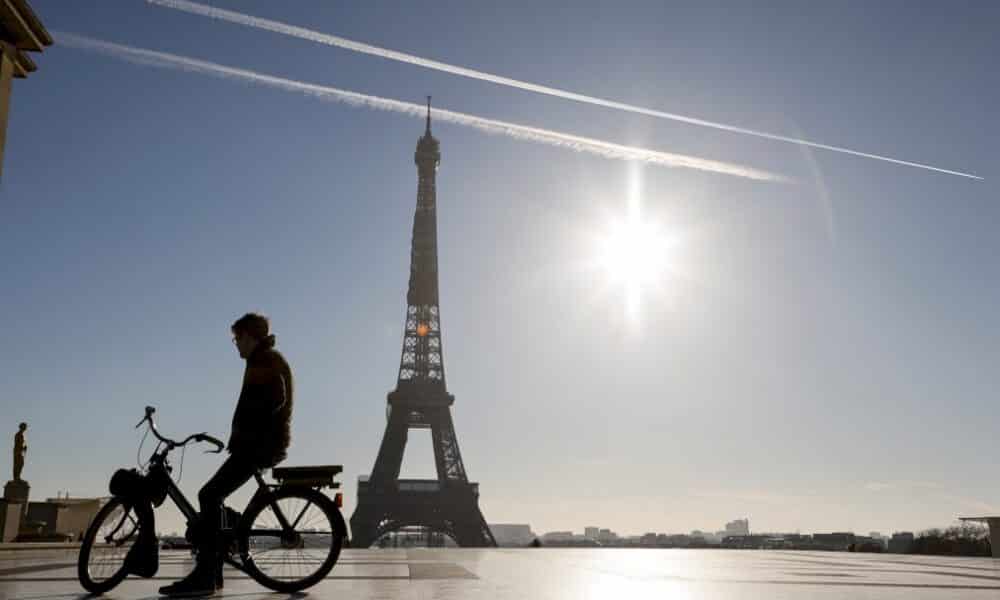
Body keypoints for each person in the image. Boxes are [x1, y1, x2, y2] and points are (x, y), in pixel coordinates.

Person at [160, 313, 293, 597]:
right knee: (213, 496)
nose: (236, 344)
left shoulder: (265, 361)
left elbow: (275, 398)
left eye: (237, 338)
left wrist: (251, 429)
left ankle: (206, 575)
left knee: (208, 495)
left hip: (257, 446)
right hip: (256, 444)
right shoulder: (263, 359)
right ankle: (214, 569)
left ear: (250, 336)